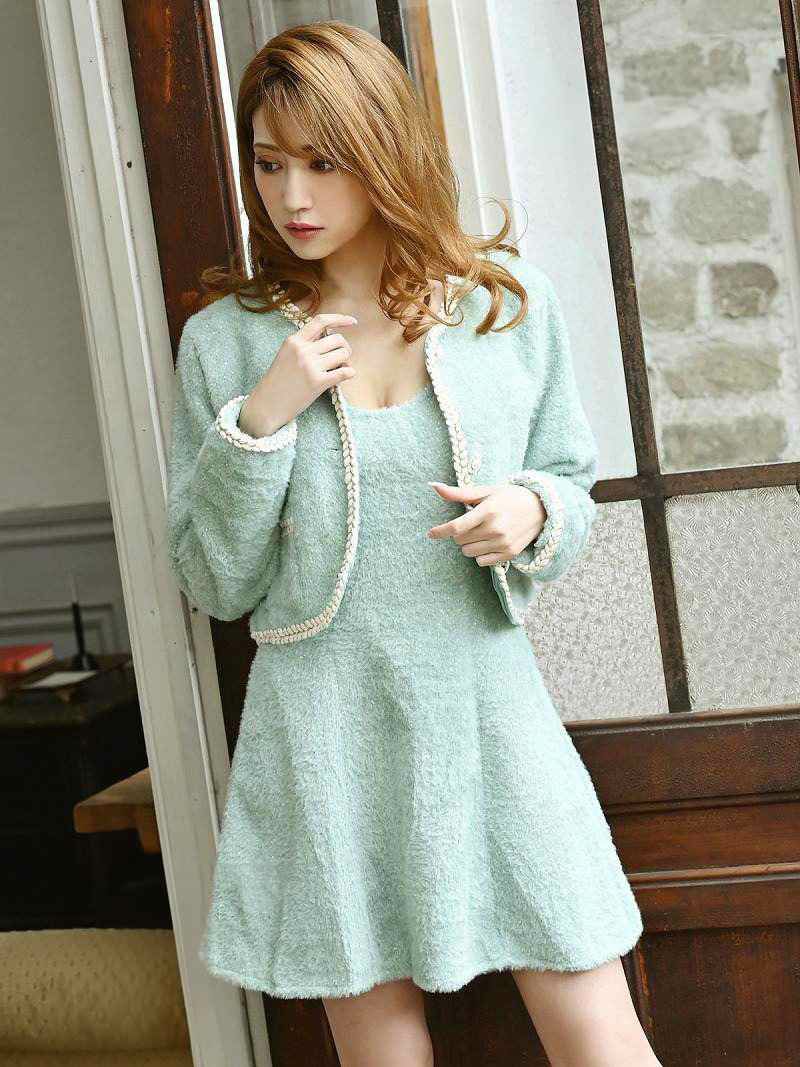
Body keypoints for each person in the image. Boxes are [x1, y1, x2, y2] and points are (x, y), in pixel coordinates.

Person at [166, 19, 662, 1067]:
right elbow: (215, 578)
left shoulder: (499, 307)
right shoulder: (226, 342)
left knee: (600, 1039)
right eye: (269, 163)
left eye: (322, 162)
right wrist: (261, 417)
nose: (291, 195)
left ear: (381, 152)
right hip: (322, 731)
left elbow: (569, 480)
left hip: (486, 708)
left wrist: (531, 511)